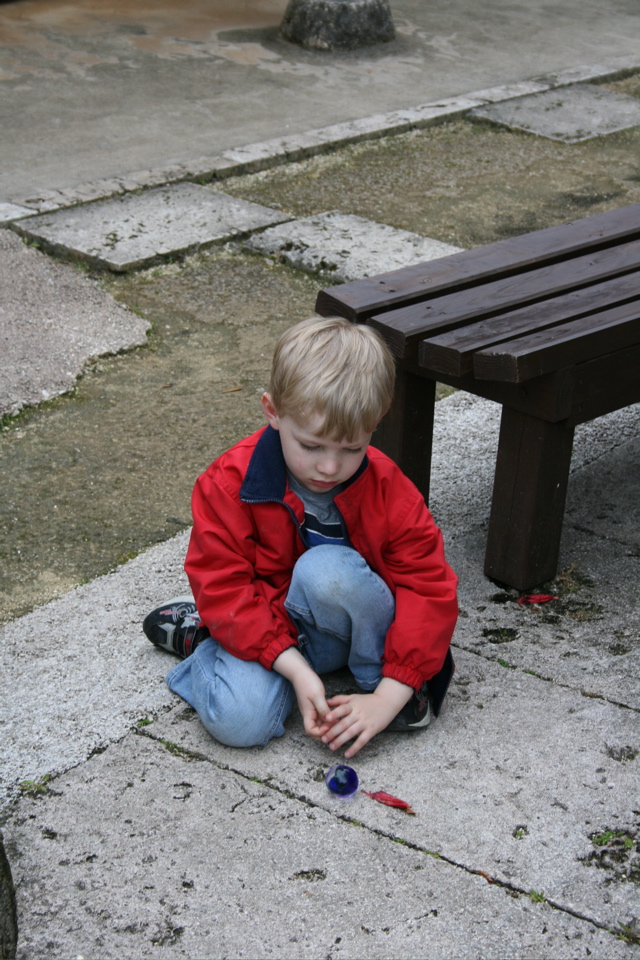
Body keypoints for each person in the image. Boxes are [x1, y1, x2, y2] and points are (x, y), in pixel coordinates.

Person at [143, 315, 458, 758]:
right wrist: (294, 669)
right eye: (311, 446)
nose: (329, 467)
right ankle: (207, 635)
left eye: (351, 448)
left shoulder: (388, 487)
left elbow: (428, 586)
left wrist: (391, 694)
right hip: (267, 623)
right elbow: (224, 582)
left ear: (376, 421)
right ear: (272, 411)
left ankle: (381, 686)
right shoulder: (227, 484)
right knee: (239, 722)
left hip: (351, 628)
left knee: (326, 570)